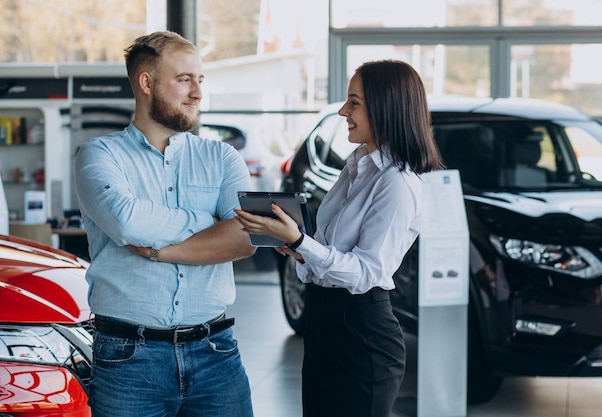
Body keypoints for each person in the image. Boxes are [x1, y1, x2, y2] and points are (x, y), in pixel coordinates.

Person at [235, 59, 445, 417]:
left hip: (362, 334)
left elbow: (365, 273)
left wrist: (303, 244)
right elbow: (333, 252)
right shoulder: (357, 165)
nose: (343, 111)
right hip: (325, 324)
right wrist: (299, 248)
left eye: (354, 102)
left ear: (386, 106)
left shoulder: (397, 182)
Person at [74, 30, 256, 417]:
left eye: (200, 80)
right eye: (184, 79)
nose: (197, 93)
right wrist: (209, 223)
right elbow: (125, 221)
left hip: (216, 355)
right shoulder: (98, 157)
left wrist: (160, 250)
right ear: (146, 83)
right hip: (128, 360)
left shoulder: (222, 157)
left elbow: (245, 236)